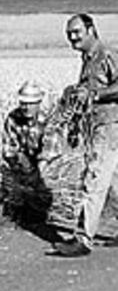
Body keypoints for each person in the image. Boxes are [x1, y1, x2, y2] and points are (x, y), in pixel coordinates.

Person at [53, 14, 118, 257]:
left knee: (94, 179)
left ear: (91, 29)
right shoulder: (88, 58)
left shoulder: (106, 55)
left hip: (109, 126)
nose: (72, 37)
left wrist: (96, 95)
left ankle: (83, 239)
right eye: (69, 33)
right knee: (113, 181)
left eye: (77, 31)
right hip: (98, 126)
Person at [0, 81, 53, 225]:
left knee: (41, 189)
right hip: (24, 162)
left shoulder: (48, 119)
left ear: (39, 102)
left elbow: (49, 151)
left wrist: (36, 175)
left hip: (47, 164)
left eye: (31, 103)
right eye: (23, 103)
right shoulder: (12, 118)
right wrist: (18, 169)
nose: (26, 107)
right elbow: (9, 148)